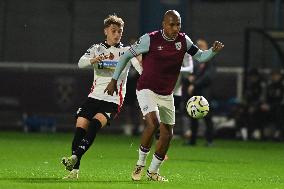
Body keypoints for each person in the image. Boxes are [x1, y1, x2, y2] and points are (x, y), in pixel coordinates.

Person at [104, 10, 224, 182]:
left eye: (178, 24)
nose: (175, 28)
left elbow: (201, 57)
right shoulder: (150, 38)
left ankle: (153, 172)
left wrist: (213, 51)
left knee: (167, 134)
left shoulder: (184, 40)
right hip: (146, 88)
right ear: (163, 24)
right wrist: (114, 80)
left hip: (167, 93)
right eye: (172, 24)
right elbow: (126, 56)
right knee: (153, 124)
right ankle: (140, 163)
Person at [61, 14, 141, 179]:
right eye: (113, 31)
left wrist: (143, 64)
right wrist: (93, 60)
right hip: (94, 96)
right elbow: (80, 63)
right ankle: (74, 171)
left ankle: (74, 158)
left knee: (94, 125)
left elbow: (140, 69)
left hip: (113, 99)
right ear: (106, 31)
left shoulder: (126, 51)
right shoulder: (96, 48)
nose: (117, 34)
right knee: (80, 128)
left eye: (120, 31)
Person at [184, 39, 215, 146]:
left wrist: (195, 83)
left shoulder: (209, 59)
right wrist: (190, 78)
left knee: (207, 117)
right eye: (198, 46)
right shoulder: (194, 60)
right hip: (195, 93)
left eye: (201, 45)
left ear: (206, 47)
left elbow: (208, 77)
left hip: (205, 93)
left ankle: (209, 140)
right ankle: (192, 140)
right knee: (193, 116)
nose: (199, 47)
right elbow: (190, 73)